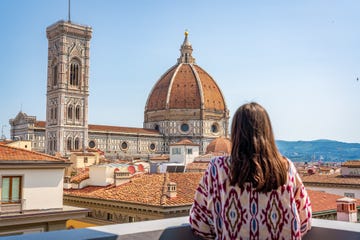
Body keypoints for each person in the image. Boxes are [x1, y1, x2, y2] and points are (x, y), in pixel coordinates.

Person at [189, 102, 311, 239]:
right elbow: (305, 221)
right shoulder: (286, 168)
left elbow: (199, 224)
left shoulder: (217, 169)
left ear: (235, 133)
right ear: (268, 132)